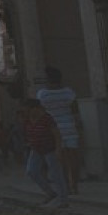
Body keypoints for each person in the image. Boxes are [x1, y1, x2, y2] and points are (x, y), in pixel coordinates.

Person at [36, 67, 83, 195]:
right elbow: (76, 112)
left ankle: (66, 186)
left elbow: (41, 114)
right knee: (73, 159)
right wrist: (78, 126)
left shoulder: (42, 94)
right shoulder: (69, 93)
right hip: (70, 128)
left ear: (48, 79)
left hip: (54, 130)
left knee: (60, 160)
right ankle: (74, 186)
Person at [20, 99, 67, 208]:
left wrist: (58, 150)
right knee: (32, 171)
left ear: (35, 108)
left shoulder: (46, 118)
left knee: (56, 174)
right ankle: (50, 193)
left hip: (50, 149)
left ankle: (63, 200)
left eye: (27, 109)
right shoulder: (27, 119)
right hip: (36, 149)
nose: (26, 112)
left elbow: (57, 134)